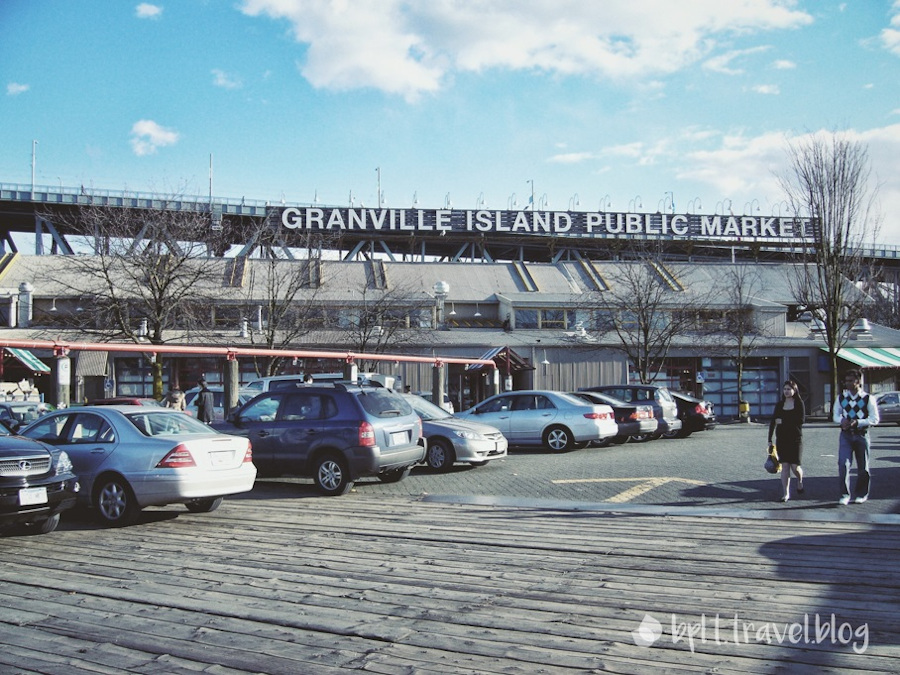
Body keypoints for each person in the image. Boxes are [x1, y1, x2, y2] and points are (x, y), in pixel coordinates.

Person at [832, 368, 880, 505]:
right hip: (846, 435)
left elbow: (875, 419)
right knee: (843, 464)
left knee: (863, 466)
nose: (848, 384)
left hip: (862, 434)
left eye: (851, 381)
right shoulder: (841, 398)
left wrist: (858, 422)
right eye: (846, 381)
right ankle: (844, 494)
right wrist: (842, 421)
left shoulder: (868, 398)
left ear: (858, 382)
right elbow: (835, 415)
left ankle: (861, 493)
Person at [767, 380, 805, 502]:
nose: (787, 391)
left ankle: (799, 480)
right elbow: (773, 421)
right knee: (785, 467)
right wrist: (769, 439)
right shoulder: (779, 405)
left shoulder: (799, 403)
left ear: (794, 390)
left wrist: (783, 421)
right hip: (782, 439)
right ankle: (786, 493)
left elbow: (800, 421)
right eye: (785, 389)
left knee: (795, 467)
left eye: (789, 389)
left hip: (795, 439)